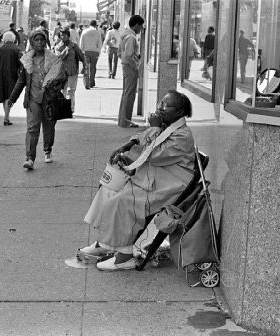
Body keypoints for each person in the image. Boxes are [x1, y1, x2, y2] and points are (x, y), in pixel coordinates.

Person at [80, 90, 196, 271]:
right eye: (160, 104)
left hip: (169, 185)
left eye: (166, 106)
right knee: (109, 189)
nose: (160, 108)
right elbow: (141, 137)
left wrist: (156, 128)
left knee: (123, 201)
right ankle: (106, 243)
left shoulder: (183, 135)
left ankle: (124, 256)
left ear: (179, 112)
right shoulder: (167, 126)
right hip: (154, 178)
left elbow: (155, 154)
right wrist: (127, 145)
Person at [8, 30, 62, 170]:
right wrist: (12, 98)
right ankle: (30, 158)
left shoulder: (53, 59)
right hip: (33, 99)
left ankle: (47, 149)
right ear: (31, 43)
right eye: (36, 40)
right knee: (32, 128)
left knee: (49, 127)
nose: (39, 42)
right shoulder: (26, 60)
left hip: (49, 99)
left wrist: (55, 83)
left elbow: (62, 78)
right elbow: (21, 81)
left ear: (45, 42)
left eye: (42, 40)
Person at [117, 15, 145, 128]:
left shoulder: (124, 35)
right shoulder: (131, 37)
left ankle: (123, 120)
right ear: (136, 25)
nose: (141, 29)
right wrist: (135, 66)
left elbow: (120, 53)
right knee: (129, 95)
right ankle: (126, 121)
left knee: (126, 94)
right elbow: (129, 55)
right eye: (141, 26)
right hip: (130, 67)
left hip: (125, 66)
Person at [0, 31, 21, 126]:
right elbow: (21, 64)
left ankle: (6, 117)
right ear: (13, 39)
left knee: (4, 97)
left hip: (0, 76)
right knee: (9, 96)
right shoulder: (16, 49)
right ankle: (6, 117)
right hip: (12, 76)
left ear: (4, 39)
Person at [54, 27, 87, 112]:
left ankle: (70, 109)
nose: (63, 37)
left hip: (72, 71)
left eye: (65, 35)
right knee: (62, 91)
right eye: (61, 35)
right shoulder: (57, 47)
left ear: (68, 36)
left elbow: (82, 56)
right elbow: (59, 57)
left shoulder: (74, 46)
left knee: (70, 91)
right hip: (61, 73)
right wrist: (67, 49)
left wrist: (85, 67)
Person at [79, 20, 102, 89]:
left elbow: (81, 43)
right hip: (94, 52)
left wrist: (81, 51)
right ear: (95, 25)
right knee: (93, 68)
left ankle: (86, 83)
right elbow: (100, 43)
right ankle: (91, 82)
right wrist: (98, 51)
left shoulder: (85, 31)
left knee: (86, 67)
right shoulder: (97, 32)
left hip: (86, 51)